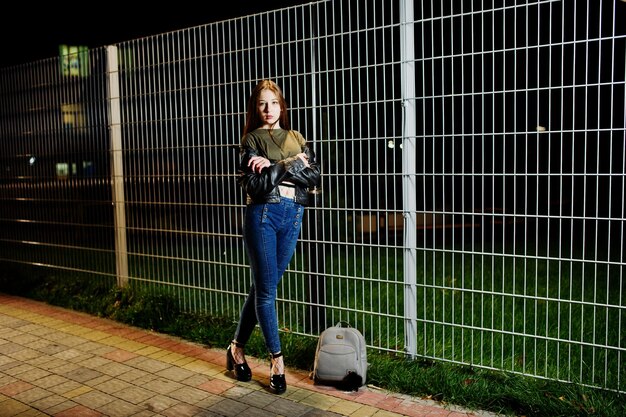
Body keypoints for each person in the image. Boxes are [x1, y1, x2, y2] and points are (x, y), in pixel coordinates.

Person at [226, 79, 321, 394]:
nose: (268, 109)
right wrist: (292, 166)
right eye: (262, 103)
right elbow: (256, 186)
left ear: (282, 106)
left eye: (274, 103)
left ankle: (236, 349)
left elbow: (315, 177)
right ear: (256, 108)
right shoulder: (250, 140)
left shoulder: (296, 137)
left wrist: (276, 166)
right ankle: (277, 361)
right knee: (267, 293)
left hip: (294, 216)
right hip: (264, 216)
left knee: (262, 289)